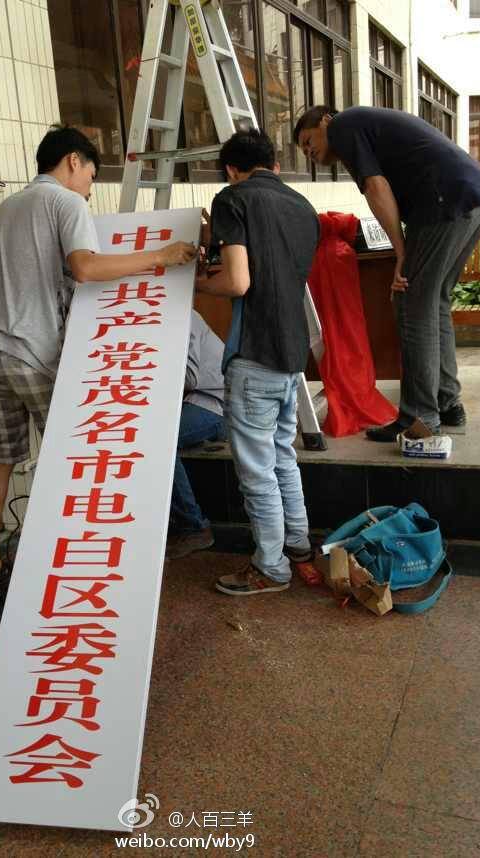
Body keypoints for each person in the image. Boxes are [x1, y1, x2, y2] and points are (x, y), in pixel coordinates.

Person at [0, 125, 197, 582]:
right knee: (68, 459)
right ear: (73, 161)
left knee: (1, 458)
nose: (90, 191)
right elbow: (86, 267)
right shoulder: (66, 202)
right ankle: (57, 560)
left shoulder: (8, 206)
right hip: (34, 351)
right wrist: (162, 256)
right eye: (92, 177)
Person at [294, 105, 480, 442]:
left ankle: (418, 417)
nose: (308, 152)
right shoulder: (363, 126)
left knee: (411, 302)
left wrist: (400, 254)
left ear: (325, 121)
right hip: (476, 194)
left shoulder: (343, 126)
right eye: (302, 151)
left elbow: (376, 188)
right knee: (433, 301)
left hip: (445, 198)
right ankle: (448, 404)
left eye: (307, 141)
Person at [195, 128, 321, 596]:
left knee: (256, 471)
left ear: (232, 169)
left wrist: (195, 284)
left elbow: (238, 282)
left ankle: (270, 567)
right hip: (292, 354)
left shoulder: (233, 199)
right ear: (274, 164)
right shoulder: (302, 206)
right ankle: (298, 544)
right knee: (283, 456)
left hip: (254, 354)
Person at [166, 309, 226, 560]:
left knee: (160, 444)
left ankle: (194, 527)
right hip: (192, 401)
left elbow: (188, 378)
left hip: (214, 403)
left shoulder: (182, 314)